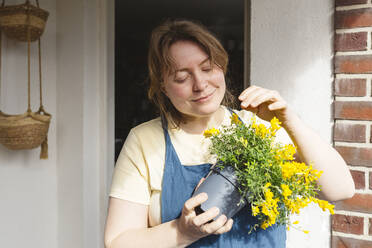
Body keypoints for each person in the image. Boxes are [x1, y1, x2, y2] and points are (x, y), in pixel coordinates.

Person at [104, 19, 355, 248]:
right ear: (163, 87)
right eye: (182, 77)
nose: (200, 84)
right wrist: (182, 232)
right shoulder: (145, 141)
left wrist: (290, 121)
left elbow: (340, 189)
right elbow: (117, 242)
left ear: (221, 66)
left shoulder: (259, 128)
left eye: (207, 68)